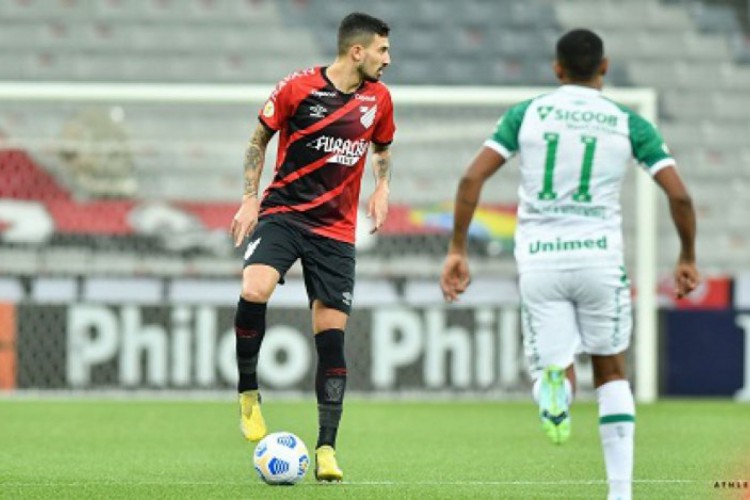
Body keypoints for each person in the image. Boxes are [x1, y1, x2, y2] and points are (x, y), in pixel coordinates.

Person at [440, 29, 699, 500]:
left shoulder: (528, 114)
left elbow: (471, 176)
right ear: (605, 66)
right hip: (599, 258)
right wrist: (686, 256)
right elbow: (678, 194)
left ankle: (553, 388)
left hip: (540, 260)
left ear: (557, 69)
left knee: (552, 367)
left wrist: (458, 247)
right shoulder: (627, 122)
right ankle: (620, 494)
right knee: (611, 369)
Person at [229, 12, 394, 482]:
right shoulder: (297, 88)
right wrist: (249, 199)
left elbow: (382, 147)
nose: (388, 59)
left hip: (335, 231)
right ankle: (248, 394)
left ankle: (326, 449)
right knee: (255, 288)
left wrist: (382, 187)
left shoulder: (379, 100)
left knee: (331, 337)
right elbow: (259, 137)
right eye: (382, 50)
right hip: (285, 214)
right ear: (356, 51)